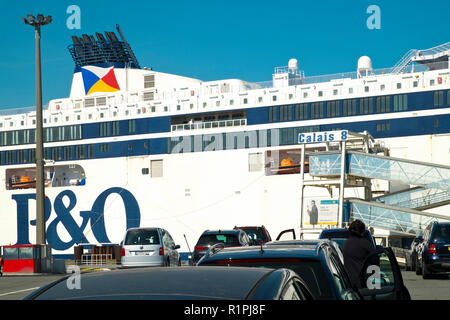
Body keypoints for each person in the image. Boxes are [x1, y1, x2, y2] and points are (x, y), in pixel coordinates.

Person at [342, 219, 375, 288]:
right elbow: (375, 261)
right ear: (362, 232)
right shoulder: (365, 244)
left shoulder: (346, 243)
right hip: (361, 284)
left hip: (347, 282)